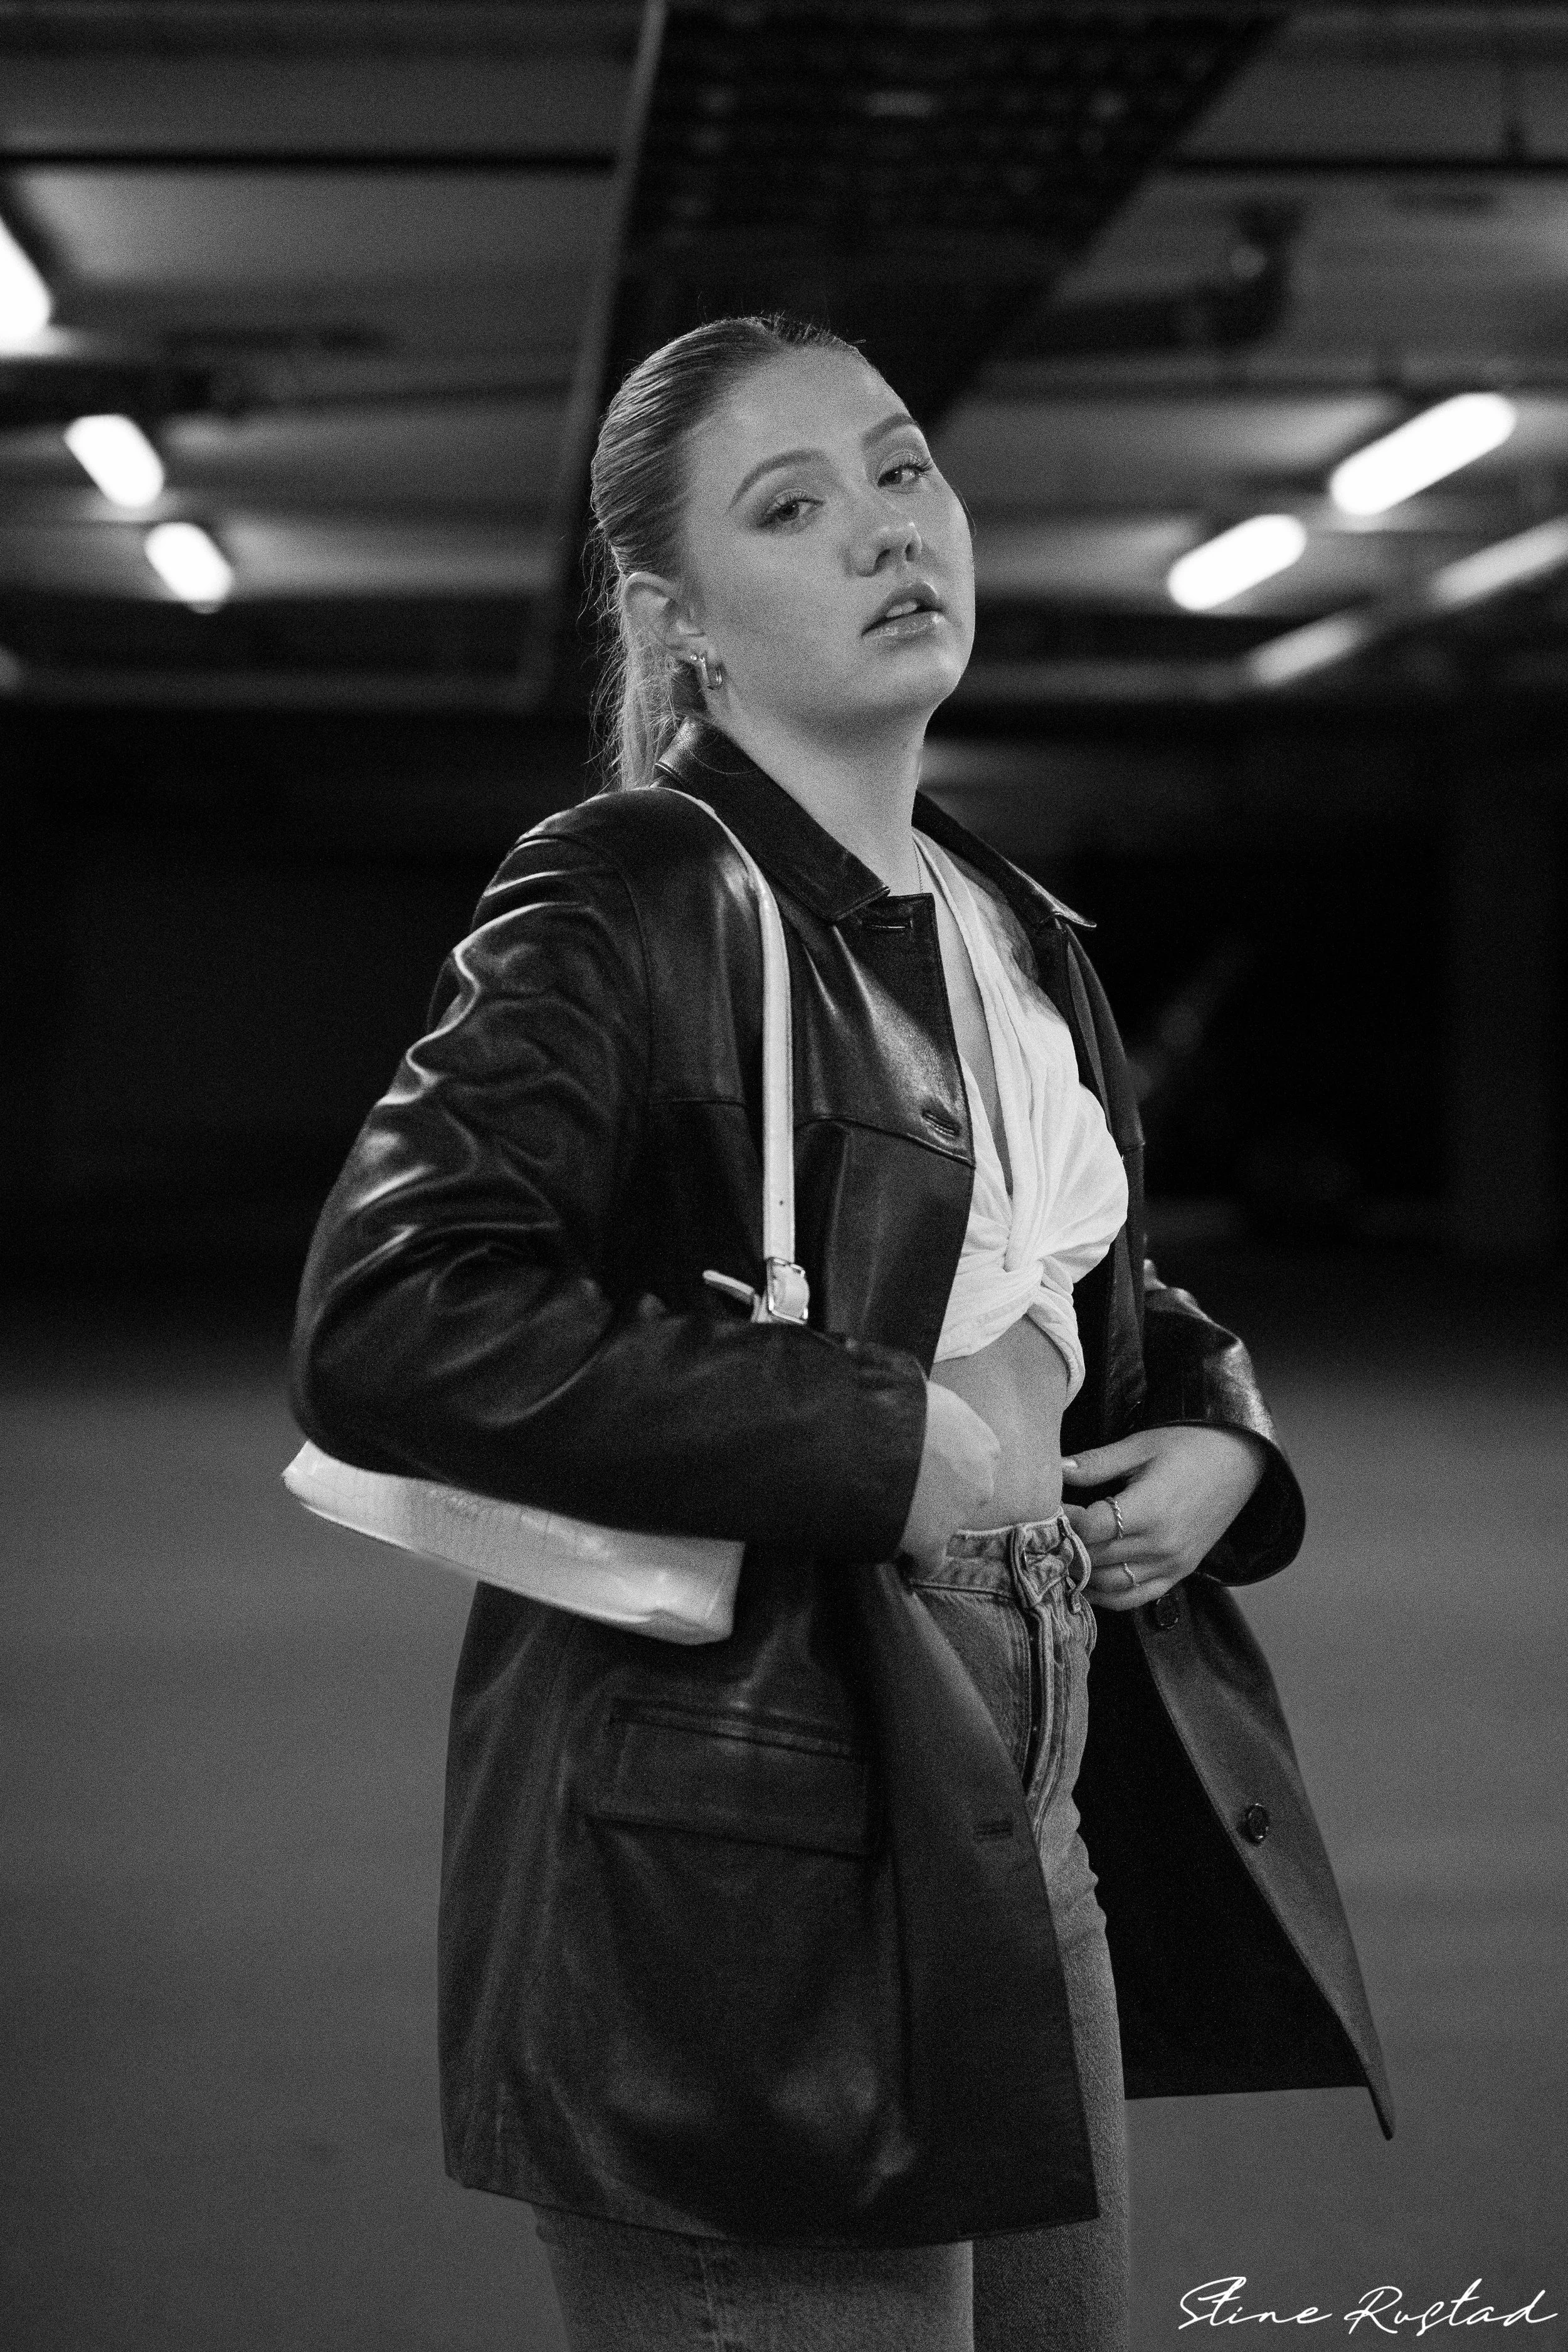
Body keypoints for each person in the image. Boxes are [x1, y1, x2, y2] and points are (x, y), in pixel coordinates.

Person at [290, 314, 1391, 2352]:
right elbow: (394, 1317)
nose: (890, 530)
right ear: (677, 619)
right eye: (791, 508)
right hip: (741, 1845)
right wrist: (866, 1442)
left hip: (1019, 1804)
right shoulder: (630, 887)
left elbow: (1070, 1279)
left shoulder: (997, 914)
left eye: (901, 470)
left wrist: (1219, 1428)